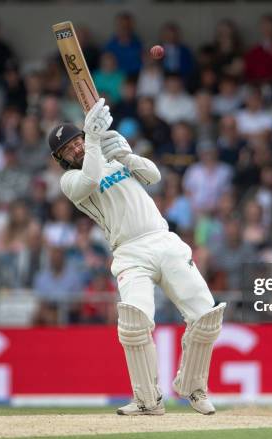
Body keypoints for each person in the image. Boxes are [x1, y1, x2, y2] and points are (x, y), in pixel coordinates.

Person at [48, 98, 224, 416]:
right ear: (60, 159)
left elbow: (154, 176)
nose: (75, 149)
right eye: (68, 149)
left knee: (206, 316)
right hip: (129, 252)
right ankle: (147, 399)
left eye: (77, 141)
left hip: (163, 239)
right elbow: (89, 179)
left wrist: (127, 156)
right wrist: (95, 138)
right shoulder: (69, 181)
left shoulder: (110, 156)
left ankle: (194, 388)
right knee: (134, 323)